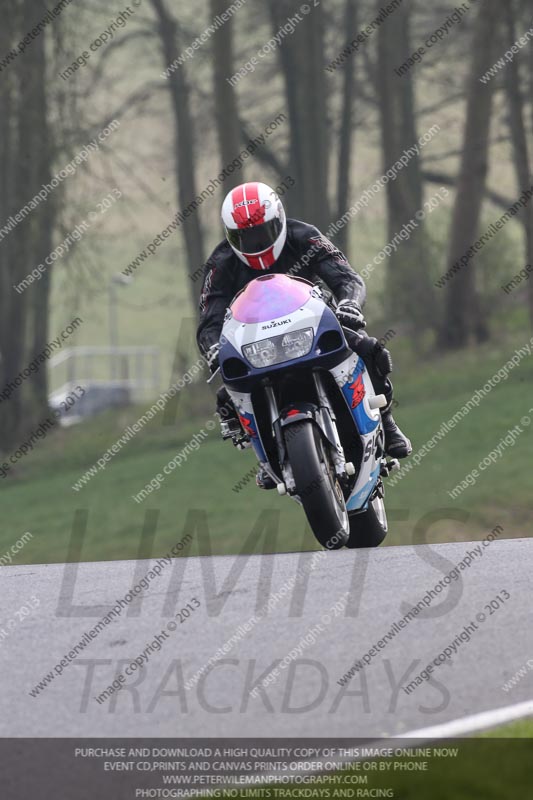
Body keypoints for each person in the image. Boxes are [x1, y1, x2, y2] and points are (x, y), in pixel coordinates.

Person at [196, 181, 411, 489]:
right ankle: (267, 456)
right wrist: (212, 345)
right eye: (243, 236)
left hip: (311, 322)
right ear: (230, 236)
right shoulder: (220, 263)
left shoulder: (305, 236)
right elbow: (209, 316)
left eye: (261, 232)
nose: (254, 242)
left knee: (368, 348)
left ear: (279, 220)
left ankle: (387, 421)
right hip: (257, 341)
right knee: (227, 395)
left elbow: (344, 275)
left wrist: (349, 302)